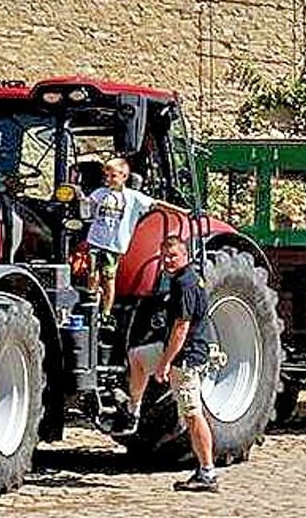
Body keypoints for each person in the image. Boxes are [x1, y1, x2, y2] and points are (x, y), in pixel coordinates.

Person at [115, 236, 218, 492]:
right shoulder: (178, 279)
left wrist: (164, 363)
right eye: (164, 256)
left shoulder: (186, 283)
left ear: (185, 256)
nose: (168, 261)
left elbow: (181, 329)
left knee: (192, 414)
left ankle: (207, 473)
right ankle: (133, 410)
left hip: (186, 358)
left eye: (173, 256)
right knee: (137, 356)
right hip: (176, 352)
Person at [87, 157, 187, 329]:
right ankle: (91, 303)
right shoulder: (100, 193)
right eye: (106, 176)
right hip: (95, 241)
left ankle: (106, 313)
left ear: (124, 176)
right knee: (92, 274)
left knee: (109, 277)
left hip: (113, 245)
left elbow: (156, 204)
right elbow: (86, 202)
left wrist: (181, 210)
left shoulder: (133, 197)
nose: (108, 180)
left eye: (112, 176)